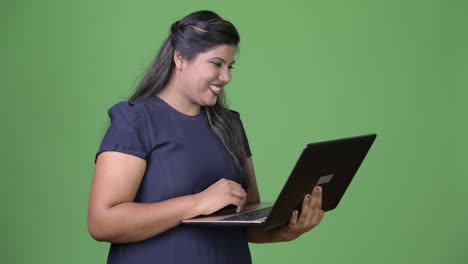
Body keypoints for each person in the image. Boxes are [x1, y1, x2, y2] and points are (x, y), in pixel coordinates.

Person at [88, 10, 324, 264]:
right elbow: (102, 222)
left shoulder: (230, 124)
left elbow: (244, 221)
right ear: (180, 58)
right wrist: (198, 203)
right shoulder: (135, 120)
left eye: (230, 66)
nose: (226, 77)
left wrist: (286, 230)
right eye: (216, 64)